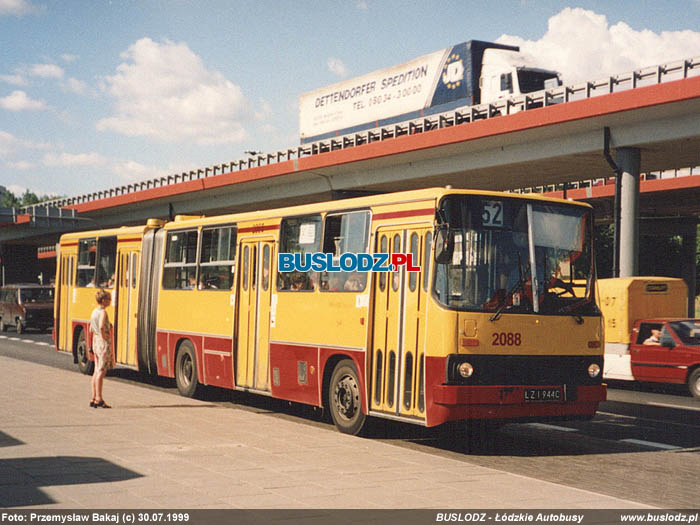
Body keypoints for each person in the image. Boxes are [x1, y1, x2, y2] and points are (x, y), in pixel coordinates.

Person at [89, 289, 113, 408]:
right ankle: (99, 398)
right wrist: (105, 336)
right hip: (102, 342)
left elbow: (91, 328)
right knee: (102, 370)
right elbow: (101, 326)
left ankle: (93, 396)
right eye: (109, 299)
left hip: (95, 341)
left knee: (96, 370)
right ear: (103, 300)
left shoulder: (94, 311)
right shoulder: (103, 312)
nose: (110, 301)